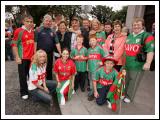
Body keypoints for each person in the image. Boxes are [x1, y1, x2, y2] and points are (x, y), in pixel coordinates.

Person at [124, 17, 154, 103]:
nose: (136, 26)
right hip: (127, 64)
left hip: (137, 65)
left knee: (133, 81)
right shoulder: (130, 35)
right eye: (134, 25)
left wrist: (148, 63)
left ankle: (129, 96)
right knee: (126, 80)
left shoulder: (147, 36)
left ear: (142, 26)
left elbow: (150, 50)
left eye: (138, 25)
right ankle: (124, 93)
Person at [11, 15, 35, 99]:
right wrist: (17, 57)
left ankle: (31, 89)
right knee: (23, 76)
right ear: (23, 22)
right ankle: (23, 92)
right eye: (27, 21)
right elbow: (14, 45)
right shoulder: (19, 31)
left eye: (31, 22)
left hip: (32, 58)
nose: (29, 23)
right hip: (22, 58)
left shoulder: (33, 31)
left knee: (31, 75)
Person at [35, 14, 61, 80]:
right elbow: (35, 43)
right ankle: (40, 83)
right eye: (46, 21)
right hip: (40, 54)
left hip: (49, 53)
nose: (48, 22)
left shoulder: (53, 31)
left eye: (50, 21)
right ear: (43, 21)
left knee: (49, 68)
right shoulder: (38, 30)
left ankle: (49, 82)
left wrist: (60, 52)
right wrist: (34, 53)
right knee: (40, 68)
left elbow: (57, 43)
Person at [87, 34, 106, 101]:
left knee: (94, 81)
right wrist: (87, 67)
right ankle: (94, 91)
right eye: (90, 40)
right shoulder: (88, 50)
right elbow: (88, 59)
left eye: (93, 40)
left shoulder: (99, 48)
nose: (92, 42)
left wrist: (102, 62)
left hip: (97, 69)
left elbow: (106, 56)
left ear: (96, 41)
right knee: (90, 80)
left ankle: (92, 93)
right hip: (90, 69)